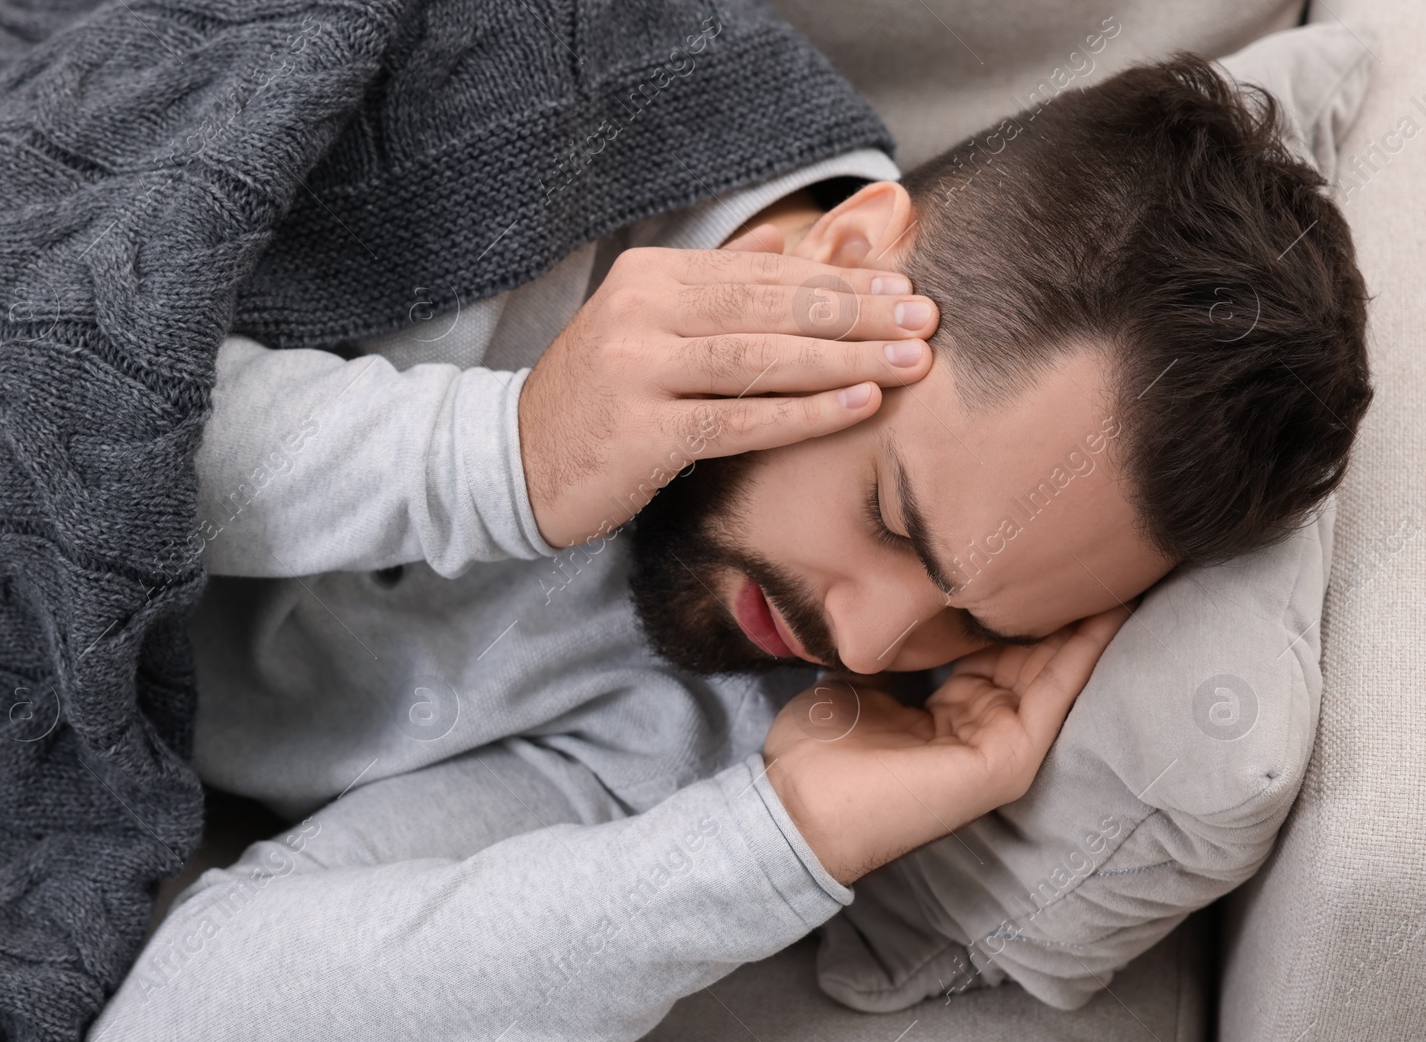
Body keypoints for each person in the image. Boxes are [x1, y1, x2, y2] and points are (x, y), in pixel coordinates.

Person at [88, 56, 1369, 1041]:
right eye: (890, 517)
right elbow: (21, 392)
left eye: (976, 620)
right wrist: (509, 456)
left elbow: (187, 1008)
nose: (867, 643)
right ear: (853, 259)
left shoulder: (732, 698)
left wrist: (782, 834)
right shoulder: (545, 107)